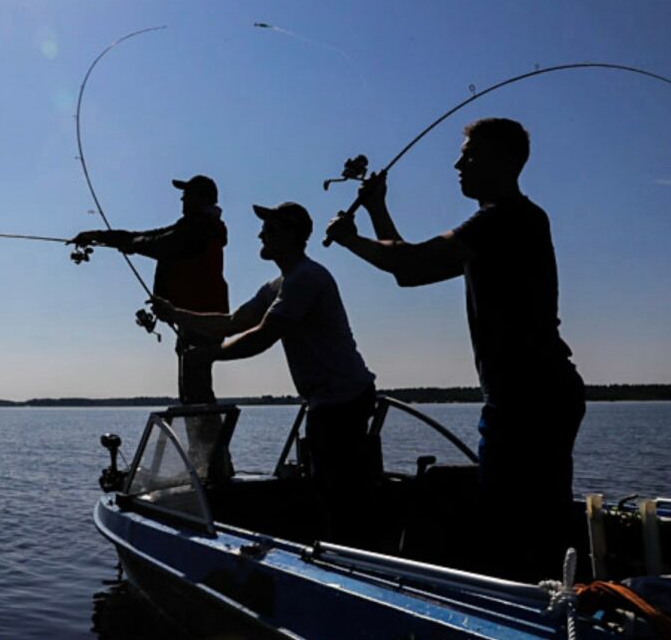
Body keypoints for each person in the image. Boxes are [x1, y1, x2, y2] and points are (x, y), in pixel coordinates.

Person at [324, 117, 585, 581]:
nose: (457, 163)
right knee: (528, 523)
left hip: (529, 399)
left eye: (470, 153)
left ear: (505, 161)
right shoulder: (504, 225)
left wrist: (349, 239)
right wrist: (377, 209)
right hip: (534, 396)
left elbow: (409, 260)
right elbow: (410, 270)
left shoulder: (505, 219)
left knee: (518, 531)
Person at [152, 202, 377, 543]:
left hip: (342, 402)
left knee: (340, 497)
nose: (261, 234)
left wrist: (211, 357)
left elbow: (264, 335)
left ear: (291, 235)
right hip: (326, 402)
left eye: (270, 229)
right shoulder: (278, 284)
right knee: (328, 491)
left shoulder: (305, 279)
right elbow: (232, 322)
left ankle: (349, 561)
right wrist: (176, 313)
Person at [72, 175, 229, 405]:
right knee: (193, 390)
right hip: (193, 319)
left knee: (196, 391)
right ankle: (205, 440)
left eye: (187, 196)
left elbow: (160, 243)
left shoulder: (201, 228)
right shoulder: (192, 226)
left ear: (203, 199)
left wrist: (131, 245)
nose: (182, 199)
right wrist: (98, 236)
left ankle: (207, 441)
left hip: (202, 320)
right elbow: (150, 236)